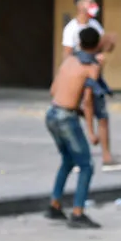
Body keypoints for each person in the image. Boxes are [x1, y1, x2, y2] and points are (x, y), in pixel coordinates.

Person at [62, 0, 121, 172]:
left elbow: (101, 47)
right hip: (80, 80)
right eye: (90, 1)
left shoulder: (95, 25)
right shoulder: (71, 29)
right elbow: (67, 56)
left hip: (95, 77)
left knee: (102, 116)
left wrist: (108, 45)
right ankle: (78, 158)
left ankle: (107, 157)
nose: (93, 4)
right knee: (78, 117)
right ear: (80, 5)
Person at [45, 27, 103, 229]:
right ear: (96, 45)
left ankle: (55, 204)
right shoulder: (91, 67)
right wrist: (92, 132)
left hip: (52, 114)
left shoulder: (69, 60)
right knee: (86, 165)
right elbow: (87, 101)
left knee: (68, 160)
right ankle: (78, 212)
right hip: (67, 118)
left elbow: (54, 89)